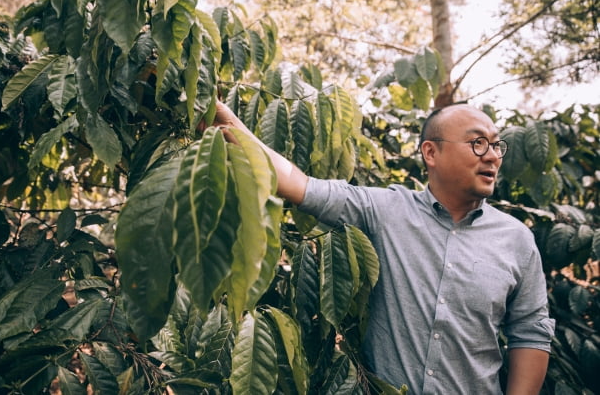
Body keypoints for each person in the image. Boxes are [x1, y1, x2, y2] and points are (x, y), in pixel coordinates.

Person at [211, 100, 555, 394]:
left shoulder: (516, 239)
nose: (493, 156)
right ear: (431, 152)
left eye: (496, 145)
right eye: (478, 144)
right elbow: (301, 186)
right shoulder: (385, 211)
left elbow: (530, 331)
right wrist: (227, 123)